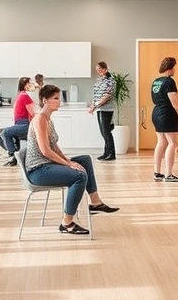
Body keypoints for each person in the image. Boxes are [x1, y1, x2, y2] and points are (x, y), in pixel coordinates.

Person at [25, 85, 119, 235]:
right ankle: (66, 223)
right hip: (39, 171)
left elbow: (54, 147)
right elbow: (45, 151)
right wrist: (68, 164)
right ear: (45, 100)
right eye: (56, 98)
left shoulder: (48, 119)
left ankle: (95, 203)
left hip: (47, 165)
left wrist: (67, 160)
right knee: (79, 175)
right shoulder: (40, 119)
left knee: (85, 160)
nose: (59, 101)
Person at [151, 57, 178, 182]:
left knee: (161, 142)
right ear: (170, 69)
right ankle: (169, 174)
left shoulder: (156, 81)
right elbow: (174, 103)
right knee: (172, 143)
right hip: (167, 113)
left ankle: (157, 172)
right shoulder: (169, 81)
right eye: (174, 67)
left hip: (156, 112)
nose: (175, 70)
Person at [1, 77, 38, 166]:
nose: (32, 85)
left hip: (24, 125)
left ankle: (12, 156)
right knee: (2, 135)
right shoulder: (23, 95)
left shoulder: (24, 96)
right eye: (30, 83)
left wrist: (34, 129)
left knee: (4, 133)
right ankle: (14, 155)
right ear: (25, 85)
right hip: (21, 124)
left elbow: (33, 114)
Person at [88, 62, 116, 161]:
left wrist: (95, 105)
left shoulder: (110, 81)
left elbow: (107, 96)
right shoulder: (99, 81)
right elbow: (95, 95)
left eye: (100, 69)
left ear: (105, 69)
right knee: (103, 132)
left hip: (107, 109)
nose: (99, 71)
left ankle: (111, 154)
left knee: (106, 132)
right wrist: (92, 105)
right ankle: (106, 153)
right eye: (97, 70)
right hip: (99, 109)